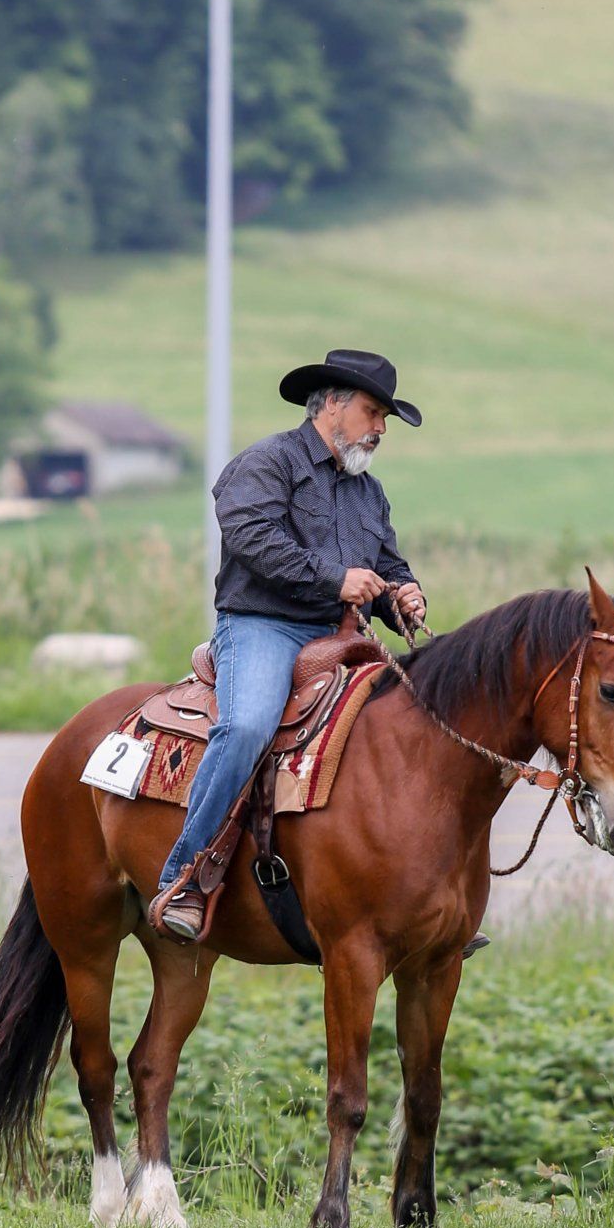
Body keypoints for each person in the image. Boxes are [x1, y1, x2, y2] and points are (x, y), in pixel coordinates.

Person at [151, 348, 428, 942]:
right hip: (262, 625)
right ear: (330, 405)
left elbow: (386, 565)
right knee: (248, 726)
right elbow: (253, 539)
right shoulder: (265, 463)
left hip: (342, 636)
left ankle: (417, 895)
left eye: (384, 418)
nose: (380, 429)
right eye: (373, 412)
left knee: (415, 724)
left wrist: (402, 594)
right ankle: (186, 875)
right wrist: (337, 580)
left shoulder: (368, 494)